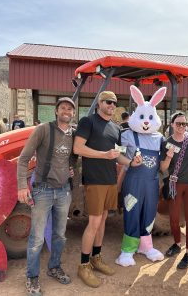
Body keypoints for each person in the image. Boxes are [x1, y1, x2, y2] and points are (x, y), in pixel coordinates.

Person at [73, 91, 141, 288]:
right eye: (108, 102)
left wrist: (130, 163)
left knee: (103, 220)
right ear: (99, 103)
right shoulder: (88, 122)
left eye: (114, 103)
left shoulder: (115, 127)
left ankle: (96, 257)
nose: (112, 105)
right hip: (94, 180)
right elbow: (78, 148)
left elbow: (117, 155)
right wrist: (104, 155)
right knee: (93, 222)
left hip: (110, 179)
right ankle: (84, 265)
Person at [17, 97, 76, 296]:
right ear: (56, 111)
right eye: (63, 108)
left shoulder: (73, 135)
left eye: (70, 109)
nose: (66, 111)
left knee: (60, 235)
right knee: (36, 238)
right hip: (42, 190)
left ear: (73, 113)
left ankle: (54, 267)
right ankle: (32, 277)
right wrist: (21, 187)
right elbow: (23, 158)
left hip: (63, 191)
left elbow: (72, 158)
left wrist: (71, 169)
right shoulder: (43, 130)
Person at [115, 85, 166, 267]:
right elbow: (117, 155)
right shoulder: (127, 135)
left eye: (150, 117)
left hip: (151, 184)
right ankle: (127, 250)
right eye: (142, 117)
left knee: (149, 213)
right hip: (133, 183)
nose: (146, 121)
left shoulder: (159, 138)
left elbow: (163, 163)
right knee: (132, 212)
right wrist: (128, 162)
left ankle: (146, 246)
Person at [160, 112, 188, 269]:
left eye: (184, 124)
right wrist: (169, 157)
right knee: (173, 218)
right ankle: (177, 244)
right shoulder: (166, 143)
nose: (181, 127)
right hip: (175, 184)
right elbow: (163, 168)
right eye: (178, 123)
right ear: (172, 124)